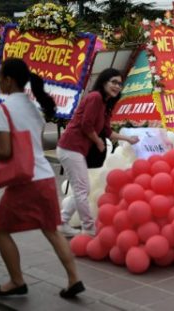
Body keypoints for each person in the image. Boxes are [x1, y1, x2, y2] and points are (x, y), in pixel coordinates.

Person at [0, 58, 85, 298]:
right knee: (51, 229)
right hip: (45, 177)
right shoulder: (35, 108)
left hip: (26, 181)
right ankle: (74, 279)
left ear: (9, 80)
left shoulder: (3, 109)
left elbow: (7, 150)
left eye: (0, 77)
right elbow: (31, 144)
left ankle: (16, 280)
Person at [57, 68, 139, 237]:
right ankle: (89, 228)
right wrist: (98, 141)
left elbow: (106, 130)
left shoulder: (105, 103)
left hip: (77, 150)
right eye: (113, 82)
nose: (117, 86)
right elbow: (86, 125)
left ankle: (63, 222)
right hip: (70, 147)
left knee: (81, 189)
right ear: (103, 82)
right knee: (82, 190)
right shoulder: (95, 97)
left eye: (120, 84)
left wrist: (128, 139)